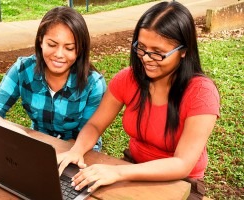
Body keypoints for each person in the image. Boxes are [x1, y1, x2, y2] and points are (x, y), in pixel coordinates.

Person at [57, 1, 220, 199]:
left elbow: (182, 164)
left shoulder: (201, 93)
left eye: (158, 53)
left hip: (181, 183)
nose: (146, 58)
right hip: (132, 167)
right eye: (141, 48)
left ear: (184, 51)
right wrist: (77, 149)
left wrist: (117, 172)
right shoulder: (128, 79)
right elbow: (95, 125)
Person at [0, 6, 106, 151]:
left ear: (80, 49)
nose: (59, 54)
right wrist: (20, 136)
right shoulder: (23, 69)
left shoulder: (94, 84)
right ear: (40, 41)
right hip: (37, 146)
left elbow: (87, 134)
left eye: (69, 48)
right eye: (52, 45)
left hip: (80, 151)